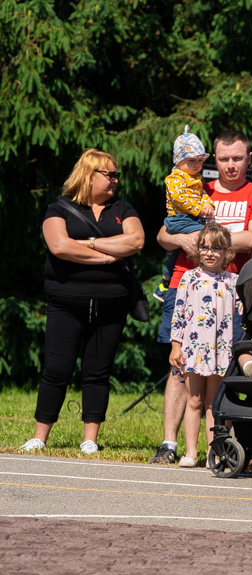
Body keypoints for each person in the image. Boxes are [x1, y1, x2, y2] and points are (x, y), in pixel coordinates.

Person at [149, 130, 252, 465]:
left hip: (231, 291)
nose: (230, 166)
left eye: (237, 158)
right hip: (184, 285)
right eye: (223, 158)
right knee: (179, 367)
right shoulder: (194, 186)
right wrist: (184, 242)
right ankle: (170, 444)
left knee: (227, 368)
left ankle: (223, 445)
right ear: (212, 159)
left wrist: (201, 239)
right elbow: (162, 234)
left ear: (249, 159)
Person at [20, 149, 145, 454]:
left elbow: (136, 241)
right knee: (57, 368)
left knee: (98, 371)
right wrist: (107, 257)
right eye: (109, 174)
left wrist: (86, 243)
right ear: (89, 176)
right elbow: (59, 246)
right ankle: (40, 436)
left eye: (116, 174)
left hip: (112, 303)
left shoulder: (123, 208)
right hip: (66, 302)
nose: (115, 179)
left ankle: (90, 438)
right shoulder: (59, 207)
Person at [168, 224, 240, 467]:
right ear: (198, 250)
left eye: (216, 248)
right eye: (205, 247)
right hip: (194, 348)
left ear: (227, 252)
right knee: (194, 401)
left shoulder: (233, 281)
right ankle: (190, 452)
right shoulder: (189, 278)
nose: (210, 253)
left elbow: (243, 312)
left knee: (213, 403)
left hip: (221, 350)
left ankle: (215, 453)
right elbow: (178, 314)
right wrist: (176, 346)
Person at [154, 125, 213, 301]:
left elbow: (202, 194)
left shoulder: (195, 179)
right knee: (205, 236)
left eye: (200, 161)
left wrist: (208, 203)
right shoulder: (175, 178)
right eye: (192, 161)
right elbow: (179, 198)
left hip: (189, 218)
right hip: (178, 219)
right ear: (179, 160)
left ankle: (165, 282)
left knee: (176, 253)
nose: (197, 165)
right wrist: (198, 208)